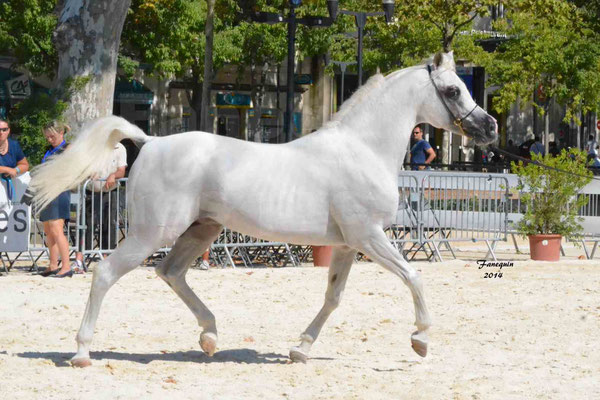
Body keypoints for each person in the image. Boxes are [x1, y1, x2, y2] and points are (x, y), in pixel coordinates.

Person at [75, 142, 127, 269]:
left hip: (110, 192)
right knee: (86, 224)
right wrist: (88, 173)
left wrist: (113, 175)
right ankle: (81, 258)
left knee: (109, 224)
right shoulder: (92, 145)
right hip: (91, 191)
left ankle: (106, 257)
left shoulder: (120, 148)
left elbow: (121, 170)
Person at [38, 121, 75, 278]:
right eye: (47, 137)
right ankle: (53, 264)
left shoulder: (68, 149)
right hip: (46, 192)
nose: (49, 140)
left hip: (59, 191)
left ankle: (66, 266)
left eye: (52, 136)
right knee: (48, 229)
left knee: (57, 229)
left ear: (61, 133)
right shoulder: (49, 150)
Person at [0, 119, 29, 201]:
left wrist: (15, 170)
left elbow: (25, 165)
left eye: (4, 129)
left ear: (8, 130)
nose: (1, 132)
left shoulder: (14, 145)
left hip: (9, 193)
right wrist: (7, 170)